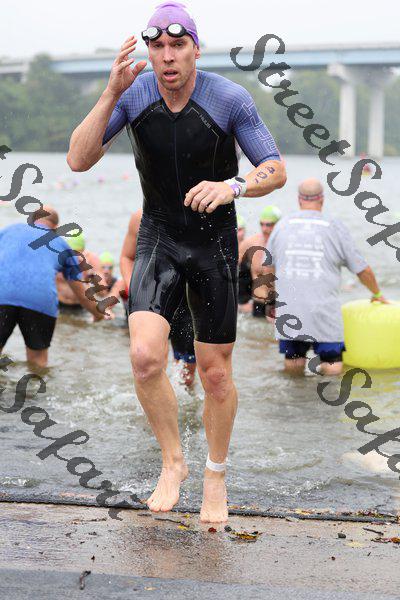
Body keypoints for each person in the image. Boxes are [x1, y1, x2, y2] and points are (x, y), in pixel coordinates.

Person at [66, 1, 286, 522]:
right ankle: (173, 462)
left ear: (196, 50)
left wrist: (233, 186)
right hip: (159, 237)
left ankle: (215, 473)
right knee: (145, 358)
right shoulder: (134, 94)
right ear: (149, 51)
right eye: (158, 47)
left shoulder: (228, 98)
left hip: (213, 243)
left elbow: (275, 169)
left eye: (178, 45)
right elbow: (77, 159)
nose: (167, 56)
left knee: (215, 375)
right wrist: (110, 91)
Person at [261, 178, 388, 376]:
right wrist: (377, 293)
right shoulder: (335, 227)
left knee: (293, 367)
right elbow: (362, 269)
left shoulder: (282, 225)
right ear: (322, 199)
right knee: (332, 367)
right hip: (324, 314)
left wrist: (271, 302)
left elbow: (267, 267)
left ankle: (293, 396)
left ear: (299, 199)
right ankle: (324, 396)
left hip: (291, 312)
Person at [0, 207, 104, 367]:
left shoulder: (8, 231)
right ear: (56, 227)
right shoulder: (61, 244)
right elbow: (81, 292)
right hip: (39, 300)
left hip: (2, 295)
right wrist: (98, 314)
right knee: (37, 361)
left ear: (31, 220)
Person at [120, 210, 197, 387]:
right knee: (150, 364)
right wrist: (136, 289)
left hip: (187, 301)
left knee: (186, 376)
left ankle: (183, 402)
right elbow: (126, 257)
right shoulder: (139, 217)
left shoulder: (194, 212)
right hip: (151, 295)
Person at [239, 206, 282, 317]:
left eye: (269, 225)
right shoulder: (251, 243)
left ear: (279, 225)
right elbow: (230, 269)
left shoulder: (287, 246)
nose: (264, 229)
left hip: (279, 304)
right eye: (261, 224)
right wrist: (240, 302)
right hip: (259, 304)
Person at [56, 232, 104, 311]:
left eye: (78, 253)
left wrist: (93, 277)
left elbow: (102, 293)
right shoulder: (57, 261)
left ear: (83, 251)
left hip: (82, 306)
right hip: (59, 305)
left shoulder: (92, 260)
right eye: (71, 253)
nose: (75, 257)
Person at [237, 214, 253, 314]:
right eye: (235, 230)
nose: (237, 234)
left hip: (248, 303)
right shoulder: (222, 252)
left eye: (239, 230)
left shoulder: (252, 251)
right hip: (235, 304)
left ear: (245, 230)